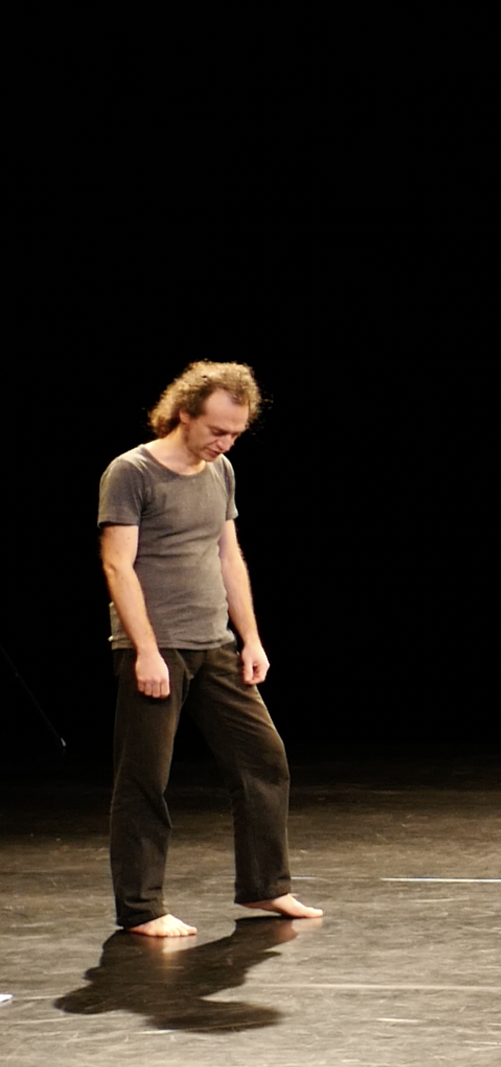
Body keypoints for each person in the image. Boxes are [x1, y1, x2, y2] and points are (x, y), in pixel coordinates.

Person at [97, 361, 322, 937]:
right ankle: (142, 908)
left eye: (235, 434)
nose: (225, 442)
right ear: (184, 414)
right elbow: (118, 565)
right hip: (157, 646)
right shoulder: (132, 471)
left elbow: (228, 556)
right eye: (217, 430)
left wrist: (251, 638)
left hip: (214, 642)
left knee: (263, 761)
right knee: (144, 778)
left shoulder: (221, 470)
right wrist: (145, 651)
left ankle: (266, 886)